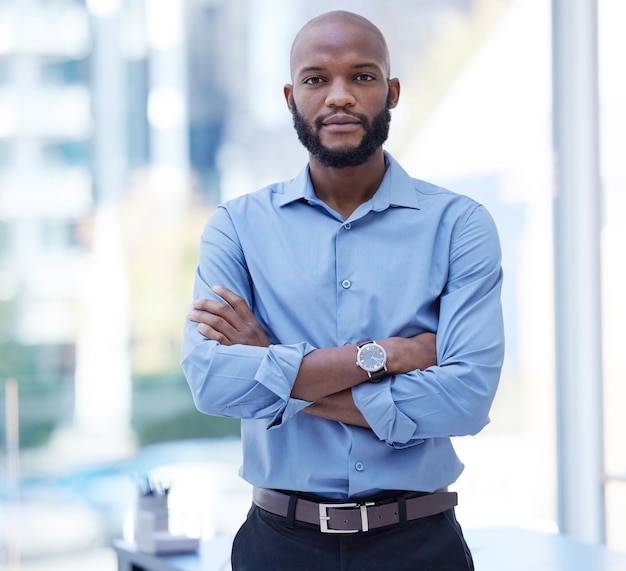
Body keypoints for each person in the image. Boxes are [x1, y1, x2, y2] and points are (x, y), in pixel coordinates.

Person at [181, 10, 504, 570]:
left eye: (361, 76)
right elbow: (212, 383)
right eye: (316, 79)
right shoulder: (236, 227)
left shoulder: (460, 225)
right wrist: (386, 357)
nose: (340, 96)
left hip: (420, 546)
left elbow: (465, 399)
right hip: (278, 546)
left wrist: (271, 365)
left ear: (392, 91)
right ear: (290, 97)